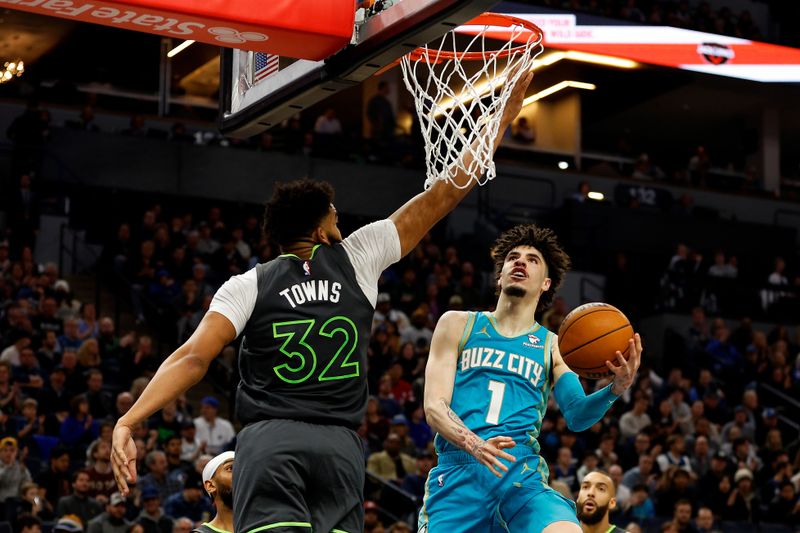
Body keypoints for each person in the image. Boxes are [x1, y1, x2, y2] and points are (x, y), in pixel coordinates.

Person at [111, 71, 534, 533]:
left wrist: (129, 421)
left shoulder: (247, 284)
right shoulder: (359, 257)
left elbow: (193, 359)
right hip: (338, 447)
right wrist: (499, 120)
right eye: (334, 213)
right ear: (318, 230)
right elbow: (446, 192)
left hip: (270, 442)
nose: (341, 217)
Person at [420, 224, 642, 532]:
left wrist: (615, 389)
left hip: (519, 473)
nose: (520, 262)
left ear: (546, 283)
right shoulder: (458, 324)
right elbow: (434, 407)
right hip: (459, 470)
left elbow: (576, 415)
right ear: (500, 275)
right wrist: (474, 443)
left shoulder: (553, 346)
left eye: (532, 259)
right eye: (513, 257)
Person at [192, 451, 234, 533]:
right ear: (210, 486)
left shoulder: (264, 526)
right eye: (230, 468)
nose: (240, 474)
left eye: (243, 470)